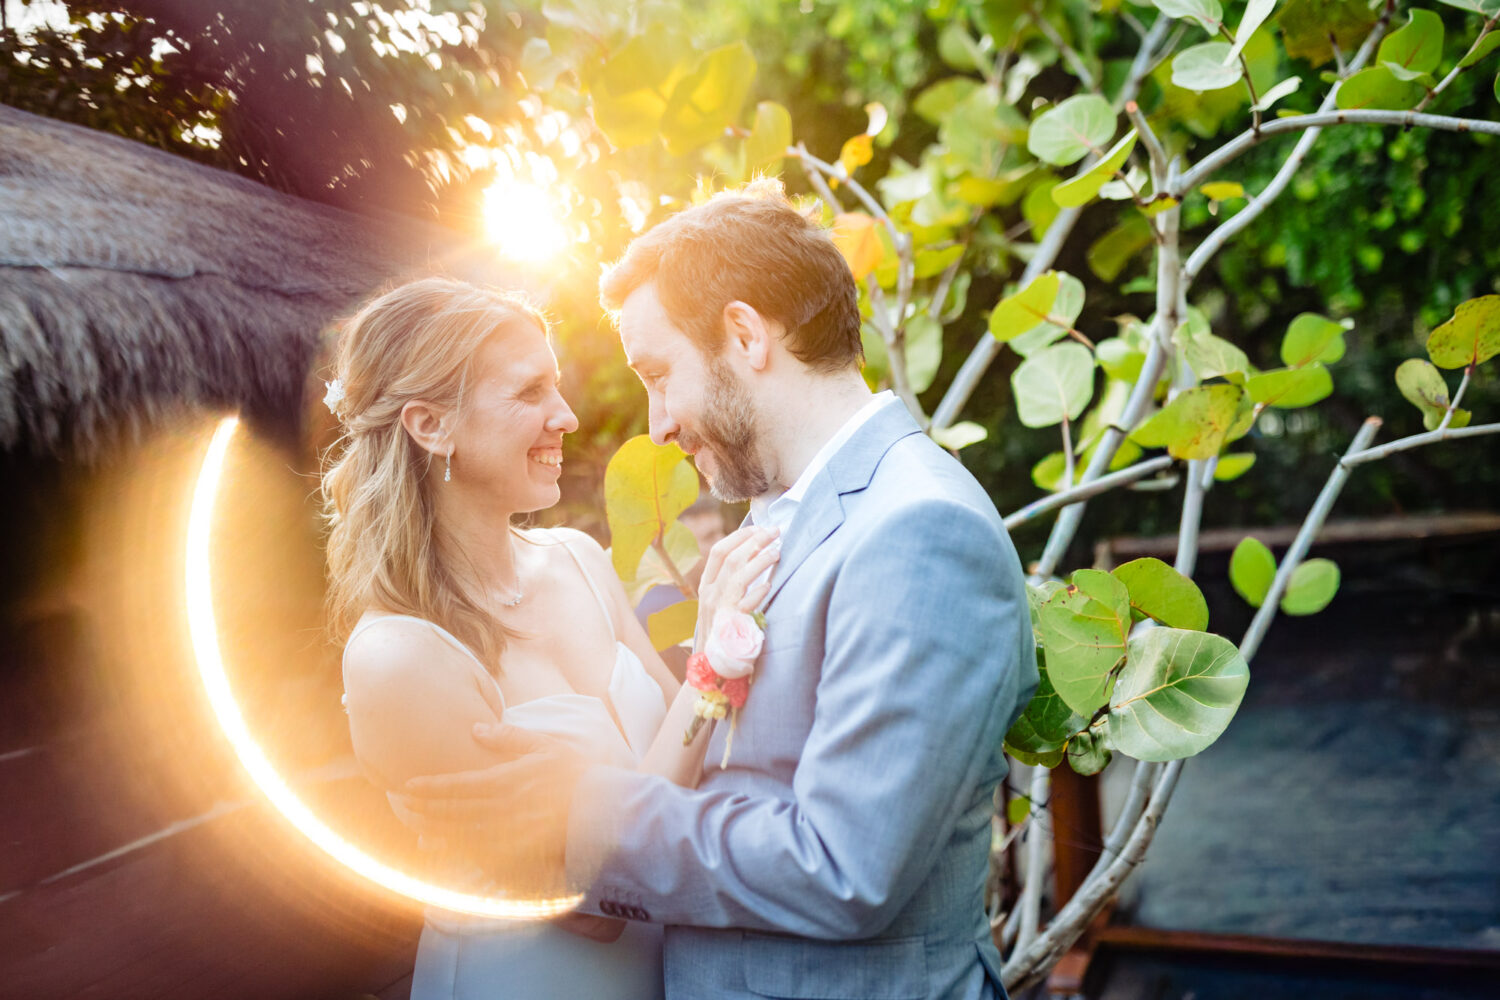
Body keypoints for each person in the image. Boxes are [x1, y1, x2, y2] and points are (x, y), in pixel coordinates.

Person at [399, 181, 1039, 1000]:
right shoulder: (784, 516)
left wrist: (581, 813)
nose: (657, 424)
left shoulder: (918, 530)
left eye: (659, 374)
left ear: (744, 334)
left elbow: (846, 866)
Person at [320, 277, 780, 1000]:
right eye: (529, 392)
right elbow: (593, 905)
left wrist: (589, 795)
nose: (565, 416)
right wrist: (714, 659)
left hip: (674, 975)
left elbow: (696, 772)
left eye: (557, 386)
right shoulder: (399, 657)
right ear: (430, 425)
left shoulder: (581, 561)